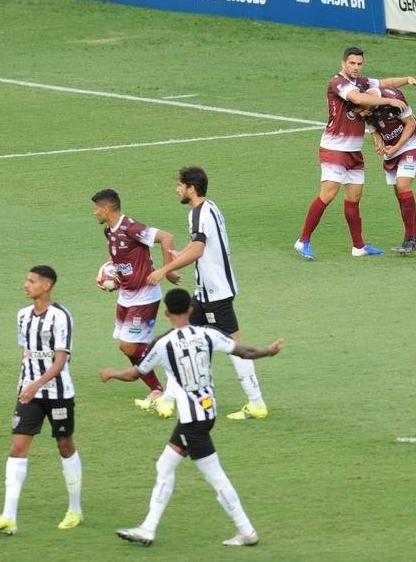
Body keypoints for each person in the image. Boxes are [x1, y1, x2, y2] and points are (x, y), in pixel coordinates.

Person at [99, 288, 284, 548]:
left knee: (215, 475)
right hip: (207, 412)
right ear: (191, 310)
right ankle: (148, 528)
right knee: (165, 465)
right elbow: (244, 352)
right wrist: (268, 351)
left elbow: (135, 373)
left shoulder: (163, 344)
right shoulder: (207, 334)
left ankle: (246, 530)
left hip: (191, 421)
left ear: (166, 313)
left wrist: (112, 373)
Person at [147, 166, 269, 420]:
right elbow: (204, 245)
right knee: (181, 339)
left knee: (234, 346)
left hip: (215, 292)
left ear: (191, 188)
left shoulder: (197, 214)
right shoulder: (210, 208)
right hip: (207, 292)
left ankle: (256, 403)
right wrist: (182, 253)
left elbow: (200, 249)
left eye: (180, 185)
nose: (177, 189)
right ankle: (168, 400)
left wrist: (164, 269)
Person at [293, 46, 416, 260]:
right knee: (328, 194)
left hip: (353, 151)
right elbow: (359, 99)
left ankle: (358, 246)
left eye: (359, 64)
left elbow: (384, 84)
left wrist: (407, 79)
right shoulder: (338, 83)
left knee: (354, 198)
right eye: (352, 63)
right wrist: (389, 101)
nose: (356, 67)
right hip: (334, 147)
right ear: (343, 63)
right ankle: (303, 240)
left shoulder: (362, 83)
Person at [0, 265, 83, 535]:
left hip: (58, 393)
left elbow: (60, 362)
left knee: (65, 445)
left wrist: (35, 384)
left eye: (32, 281)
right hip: (29, 393)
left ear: (47, 285)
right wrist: (25, 385)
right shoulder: (23, 316)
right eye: (26, 280)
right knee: (17, 448)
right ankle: (8, 517)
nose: (26, 285)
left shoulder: (61, 317)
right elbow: (26, 352)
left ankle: (75, 510)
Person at [92, 188, 178, 418]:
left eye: (97, 208)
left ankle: (162, 381)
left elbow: (166, 237)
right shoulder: (109, 231)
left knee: (129, 346)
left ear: (108, 208)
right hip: (126, 295)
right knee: (125, 346)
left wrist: (166, 271)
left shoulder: (131, 228)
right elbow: (122, 260)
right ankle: (157, 386)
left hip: (145, 296)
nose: (94, 213)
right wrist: (112, 277)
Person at [362, 85, 416, 255]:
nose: (363, 115)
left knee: (403, 185)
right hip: (392, 150)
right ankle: (415, 238)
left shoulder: (393, 98)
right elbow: (374, 131)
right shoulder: (364, 108)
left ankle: (410, 240)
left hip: (410, 144)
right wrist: (379, 143)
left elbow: (411, 123)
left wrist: (396, 147)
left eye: (363, 111)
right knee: (399, 193)